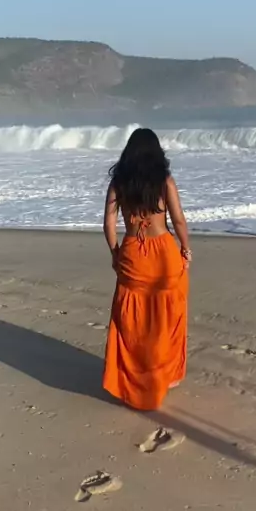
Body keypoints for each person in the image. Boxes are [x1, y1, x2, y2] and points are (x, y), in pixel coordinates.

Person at [102, 127, 191, 411]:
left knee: (132, 320)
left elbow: (108, 223)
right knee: (168, 315)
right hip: (164, 254)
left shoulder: (119, 182)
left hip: (133, 253)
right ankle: (166, 375)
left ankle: (132, 380)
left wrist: (115, 253)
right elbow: (178, 220)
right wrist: (185, 248)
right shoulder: (164, 181)